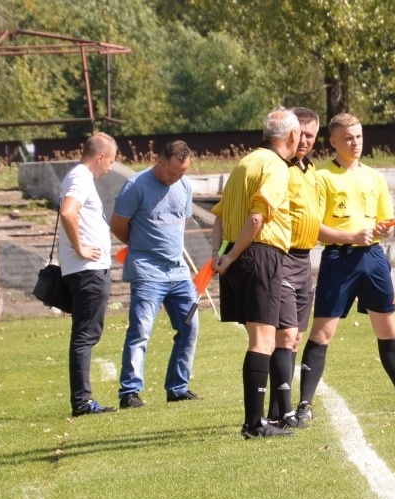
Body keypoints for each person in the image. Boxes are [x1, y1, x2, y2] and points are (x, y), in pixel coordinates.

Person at [294, 113, 395, 421]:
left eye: (358, 136)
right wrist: (350, 236)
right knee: (322, 333)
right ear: (333, 142)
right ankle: (304, 405)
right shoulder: (321, 177)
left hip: (373, 259)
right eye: (348, 138)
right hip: (339, 260)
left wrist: (384, 230)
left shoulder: (375, 177)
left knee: (387, 328)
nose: (355, 142)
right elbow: (314, 228)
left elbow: (386, 223)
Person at [211, 107, 300, 439]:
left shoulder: (244, 163)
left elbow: (219, 215)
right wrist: (232, 254)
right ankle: (254, 423)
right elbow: (257, 219)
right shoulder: (276, 167)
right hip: (260, 255)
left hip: (238, 257)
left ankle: (256, 421)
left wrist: (221, 255)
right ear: (291, 136)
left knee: (259, 339)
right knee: (263, 341)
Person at [110, 140, 199, 409]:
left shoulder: (184, 186)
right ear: (158, 160)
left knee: (190, 327)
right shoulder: (136, 185)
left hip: (179, 272)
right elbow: (118, 224)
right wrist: (141, 247)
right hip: (147, 272)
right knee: (140, 331)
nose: (176, 178)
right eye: (172, 172)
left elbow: (180, 224)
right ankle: (130, 392)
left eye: (181, 173)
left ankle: (178, 387)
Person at [266, 107, 322, 428]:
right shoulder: (278, 168)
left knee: (294, 338)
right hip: (282, 257)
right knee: (284, 337)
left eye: (310, 135)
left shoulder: (310, 171)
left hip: (305, 262)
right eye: (300, 133)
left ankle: (276, 409)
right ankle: (282, 413)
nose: (304, 140)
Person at [58, 132, 119, 417]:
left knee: (84, 334)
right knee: (84, 336)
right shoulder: (81, 178)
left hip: (87, 270)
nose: (110, 167)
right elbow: (68, 212)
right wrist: (80, 247)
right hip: (88, 271)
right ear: (101, 157)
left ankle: (82, 400)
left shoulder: (78, 177)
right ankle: (82, 402)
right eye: (111, 161)